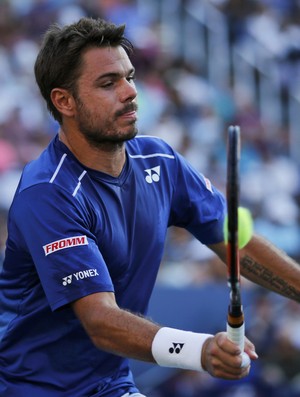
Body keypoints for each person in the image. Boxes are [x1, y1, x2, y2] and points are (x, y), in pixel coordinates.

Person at [0, 17, 299, 397]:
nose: (130, 92)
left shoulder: (161, 160)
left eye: (130, 77)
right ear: (64, 101)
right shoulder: (48, 192)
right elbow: (100, 321)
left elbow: (235, 242)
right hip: (29, 388)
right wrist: (201, 351)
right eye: (108, 83)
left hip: (110, 384)